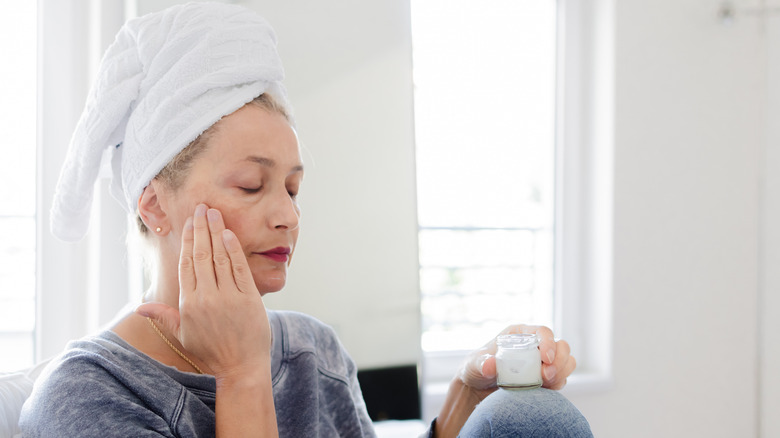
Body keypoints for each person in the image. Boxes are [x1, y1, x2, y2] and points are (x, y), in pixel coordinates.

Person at [20, 3, 592, 437]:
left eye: (293, 188)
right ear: (152, 203)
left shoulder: (311, 353)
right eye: (251, 184)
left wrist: (471, 390)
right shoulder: (89, 395)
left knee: (532, 417)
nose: (288, 215)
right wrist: (242, 375)